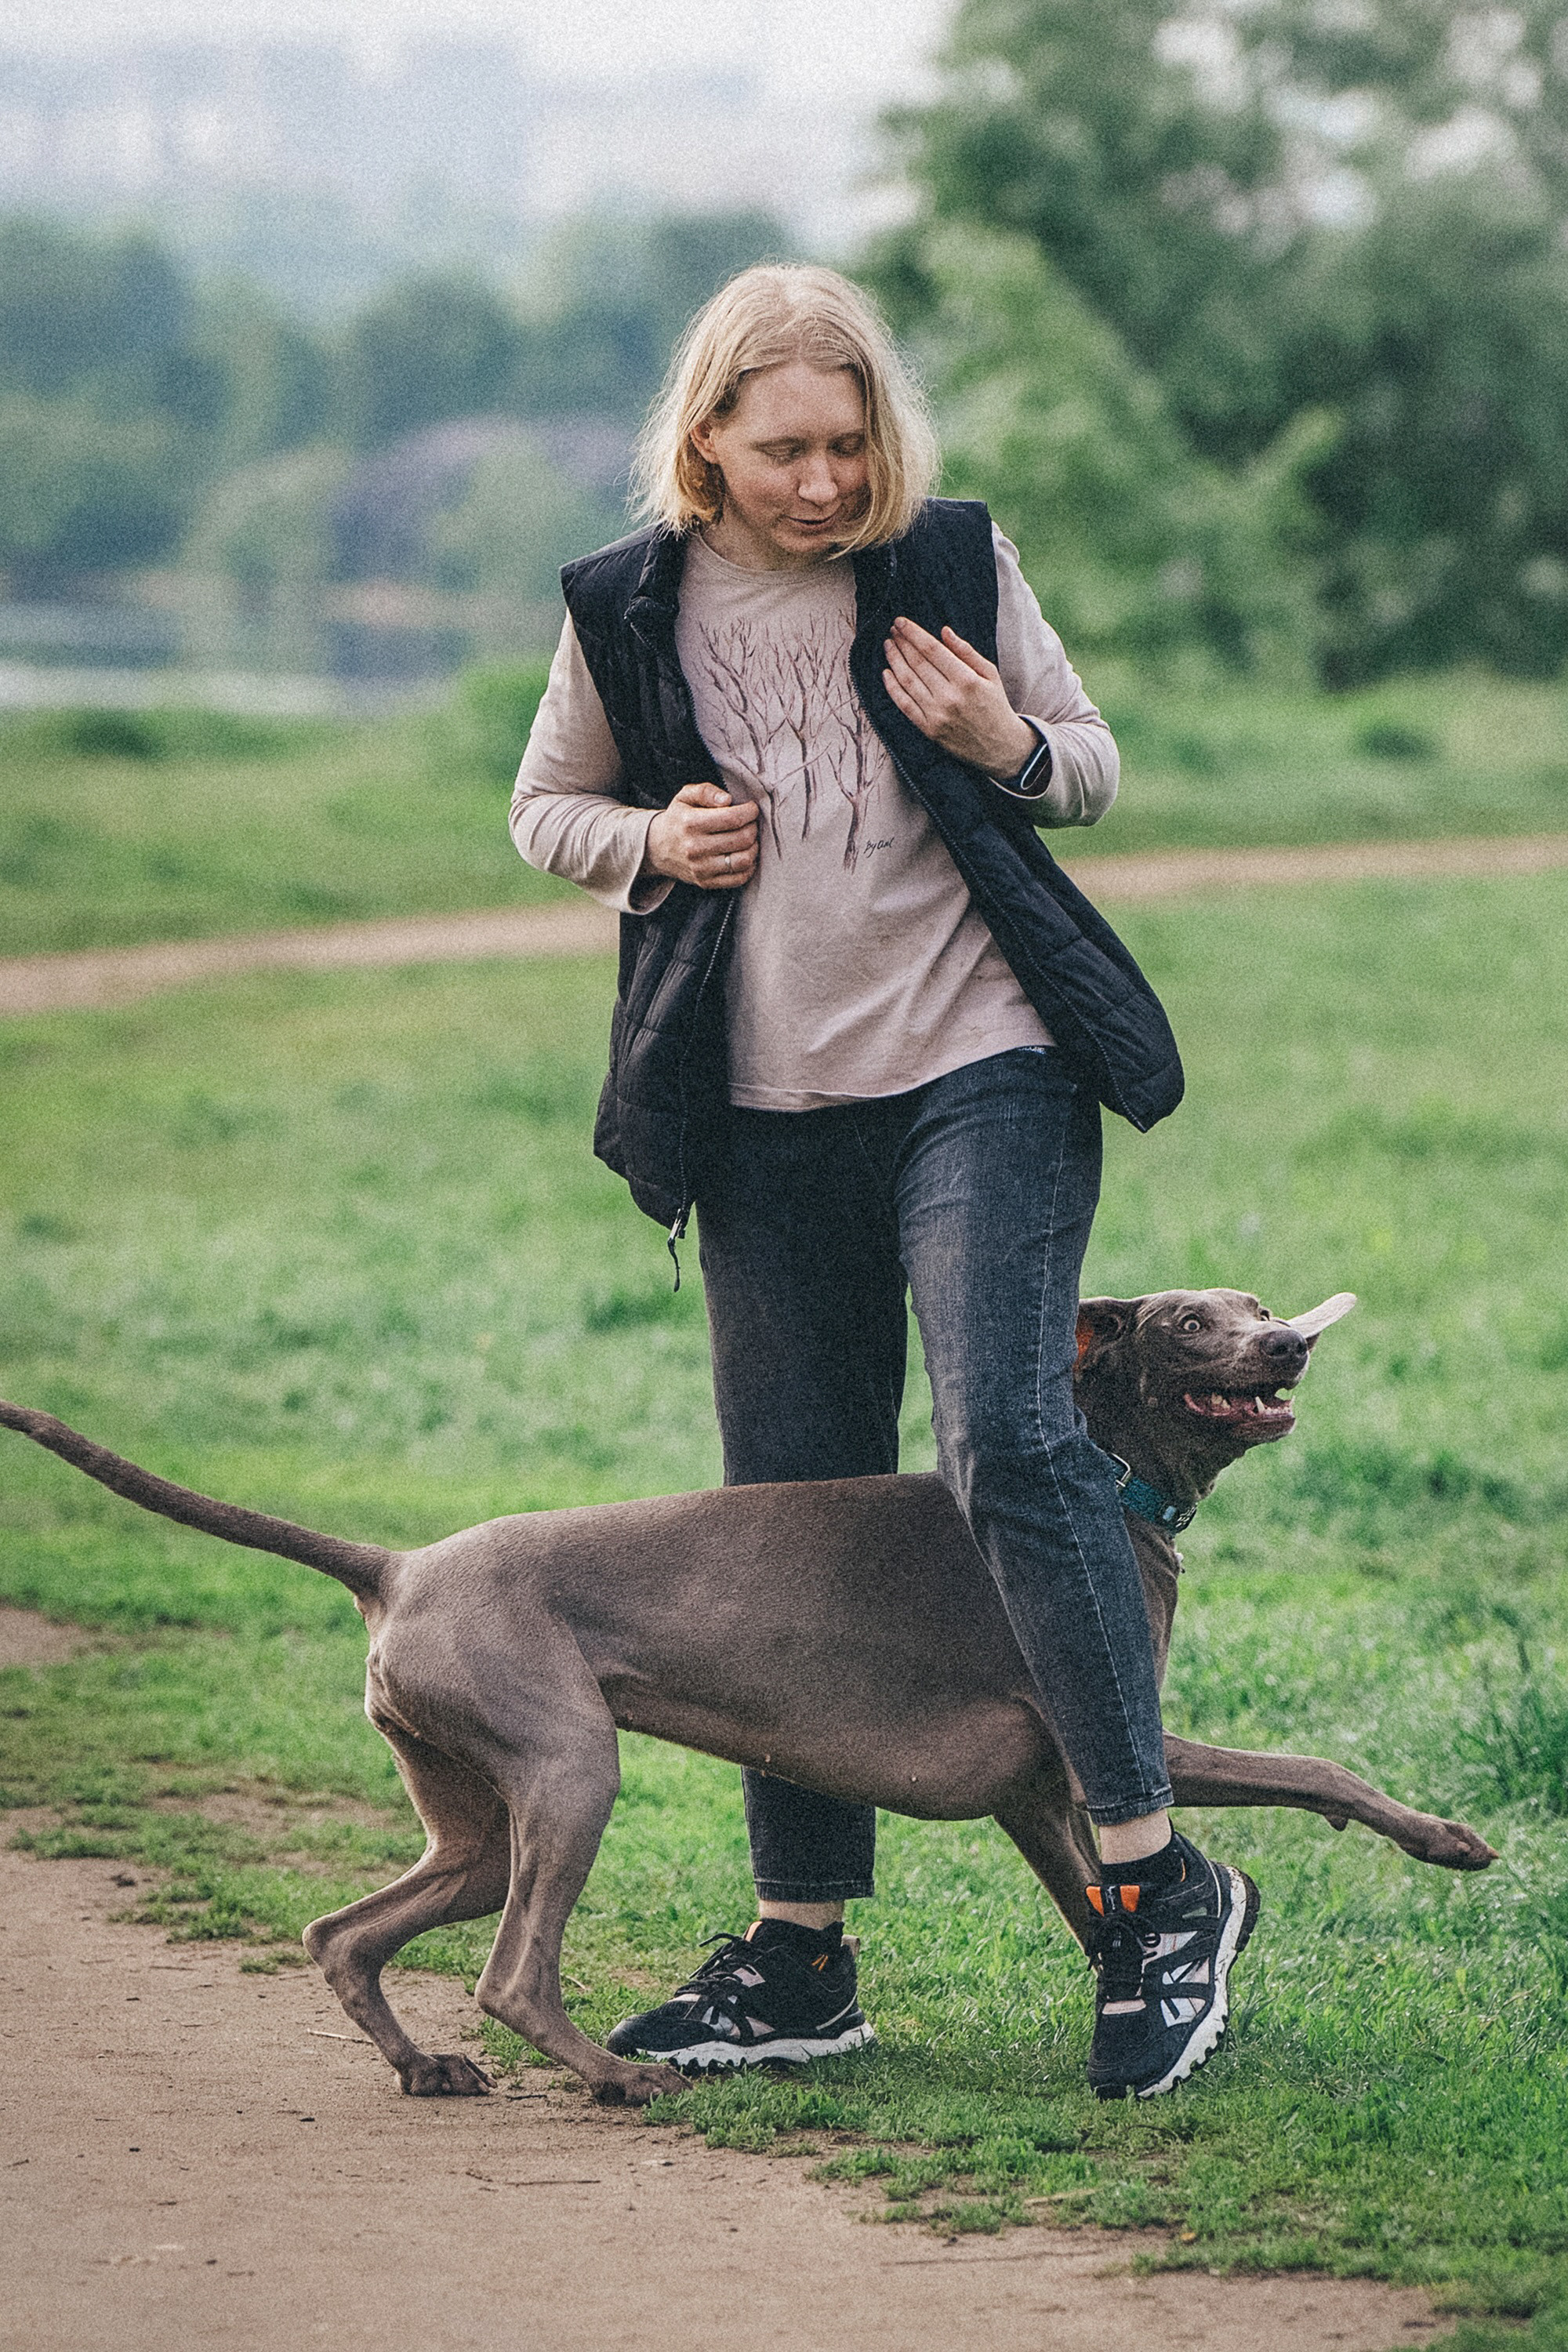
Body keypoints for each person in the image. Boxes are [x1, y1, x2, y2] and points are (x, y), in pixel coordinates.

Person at [509, 263, 1257, 2102]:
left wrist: (1007, 744)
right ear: (706, 440)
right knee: (788, 1512)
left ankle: (1152, 1884)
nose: (826, 482)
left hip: (981, 1069)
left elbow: (1087, 763)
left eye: (850, 444)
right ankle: (801, 1949)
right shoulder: (626, 609)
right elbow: (543, 808)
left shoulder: (950, 562)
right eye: (785, 450)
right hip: (762, 1115)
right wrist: (649, 838)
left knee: (1008, 1435)